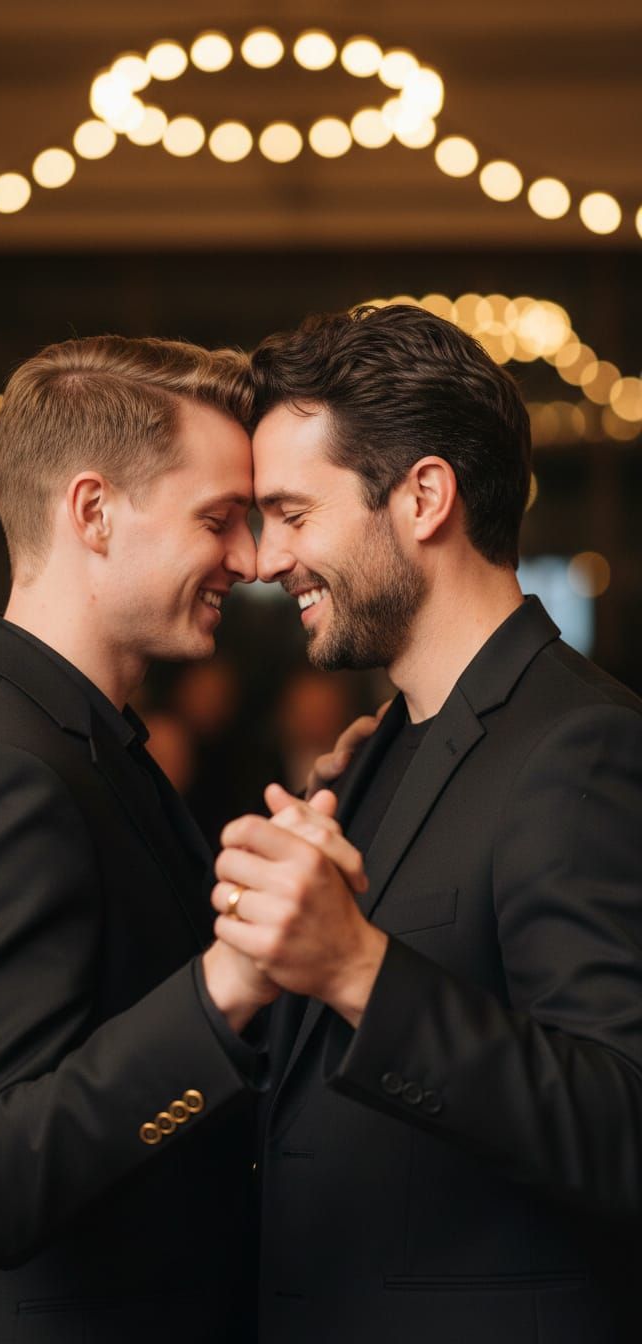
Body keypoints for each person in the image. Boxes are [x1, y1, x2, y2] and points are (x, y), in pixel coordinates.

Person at [0, 333, 342, 1344]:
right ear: (92, 512)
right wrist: (225, 986)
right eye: (217, 520)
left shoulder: (80, 742)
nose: (251, 560)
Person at [211, 304, 642, 1343]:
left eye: (293, 513)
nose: (267, 559)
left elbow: (623, 1125)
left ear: (424, 497)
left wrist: (358, 968)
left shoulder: (582, 745)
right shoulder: (380, 749)